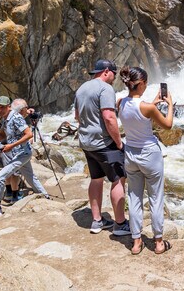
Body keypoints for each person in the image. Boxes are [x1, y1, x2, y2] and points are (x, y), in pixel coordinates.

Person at [117, 66, 173, 255]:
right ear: (140, 84)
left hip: (131, 154)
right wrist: (170, 105)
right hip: (150, 155)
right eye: (146, 83)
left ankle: (136, 242)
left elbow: (137, 111)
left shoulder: (120, 103)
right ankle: (158, 242)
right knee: (156, 198)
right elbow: (168, 125)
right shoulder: (147, 108)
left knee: (134, 197)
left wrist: (154, 102)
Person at [73, 59, 130, 236]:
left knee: (96, 179)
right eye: (113, 72)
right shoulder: (105, 89)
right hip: (104, 143)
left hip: (87, 142)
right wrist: (119, 143)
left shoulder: (82, 88)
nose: (114, 77)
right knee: (119, 178)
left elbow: (77, 116)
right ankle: (120, 224)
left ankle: (97, 221)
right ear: (106, 71)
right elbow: (109, 117)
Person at [0, 97, 49, 217]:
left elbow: (28, 134)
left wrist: (11, 146)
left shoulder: (16, 117)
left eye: (2, 107)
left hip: (22, 153)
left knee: (0, 177)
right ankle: (46, 197)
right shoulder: (5, 119)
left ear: (8, 107)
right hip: (18, 153)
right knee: (31, 178)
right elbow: (1, 136)